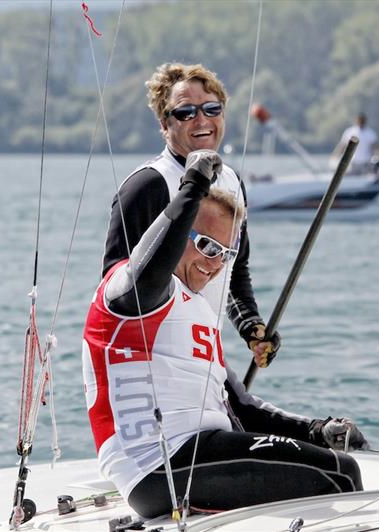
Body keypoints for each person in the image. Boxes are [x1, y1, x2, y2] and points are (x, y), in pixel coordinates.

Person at [83, 149, 368, 517]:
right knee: (340, 475)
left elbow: (242, 406)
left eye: (225, 253)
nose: (214, 262)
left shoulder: (198, 309)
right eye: (205, 245)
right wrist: (193, 185)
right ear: (176, 234)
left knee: (333, 460)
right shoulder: (130, 291)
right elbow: (151, 265)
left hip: (203, 452)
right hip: (160, 465)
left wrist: (315, 429)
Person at [101, 62, 278, 369]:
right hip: (150, 363)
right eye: (186, 112)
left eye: (212, 109)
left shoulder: (232, 182)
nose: (202, 120)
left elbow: (235, 269)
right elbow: (115, 289)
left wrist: (252, 327)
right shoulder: (146, 185)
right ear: (164, 122)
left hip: (203, 360)